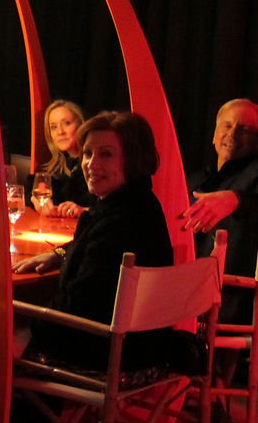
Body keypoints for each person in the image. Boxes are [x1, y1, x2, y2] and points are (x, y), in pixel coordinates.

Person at [13, 110, 173, 368]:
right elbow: (96, 249)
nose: (91, 164)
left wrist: (25, 327)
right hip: (146, 346)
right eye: (88, 153)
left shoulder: (120, 220)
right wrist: (59, 253)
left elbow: (80, 304)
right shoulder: (139, 202)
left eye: (106, 155)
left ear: (133, 159)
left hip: (108, 354)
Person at [180, 98, 258, 321]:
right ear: (214, 135)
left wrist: (235, 200)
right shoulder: (195, 180)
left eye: (244, 130)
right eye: (227, 125)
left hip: (226, 301)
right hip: (179, 292)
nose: (232, 134)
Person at [37, 98, 91, 214]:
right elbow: (35, 189)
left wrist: (85, 210)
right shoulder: (55, 168)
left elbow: (116, 207)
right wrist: (37, 201)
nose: (60, 132)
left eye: (66, 123)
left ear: (81, 124)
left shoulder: (96, 164)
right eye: (54, 127)